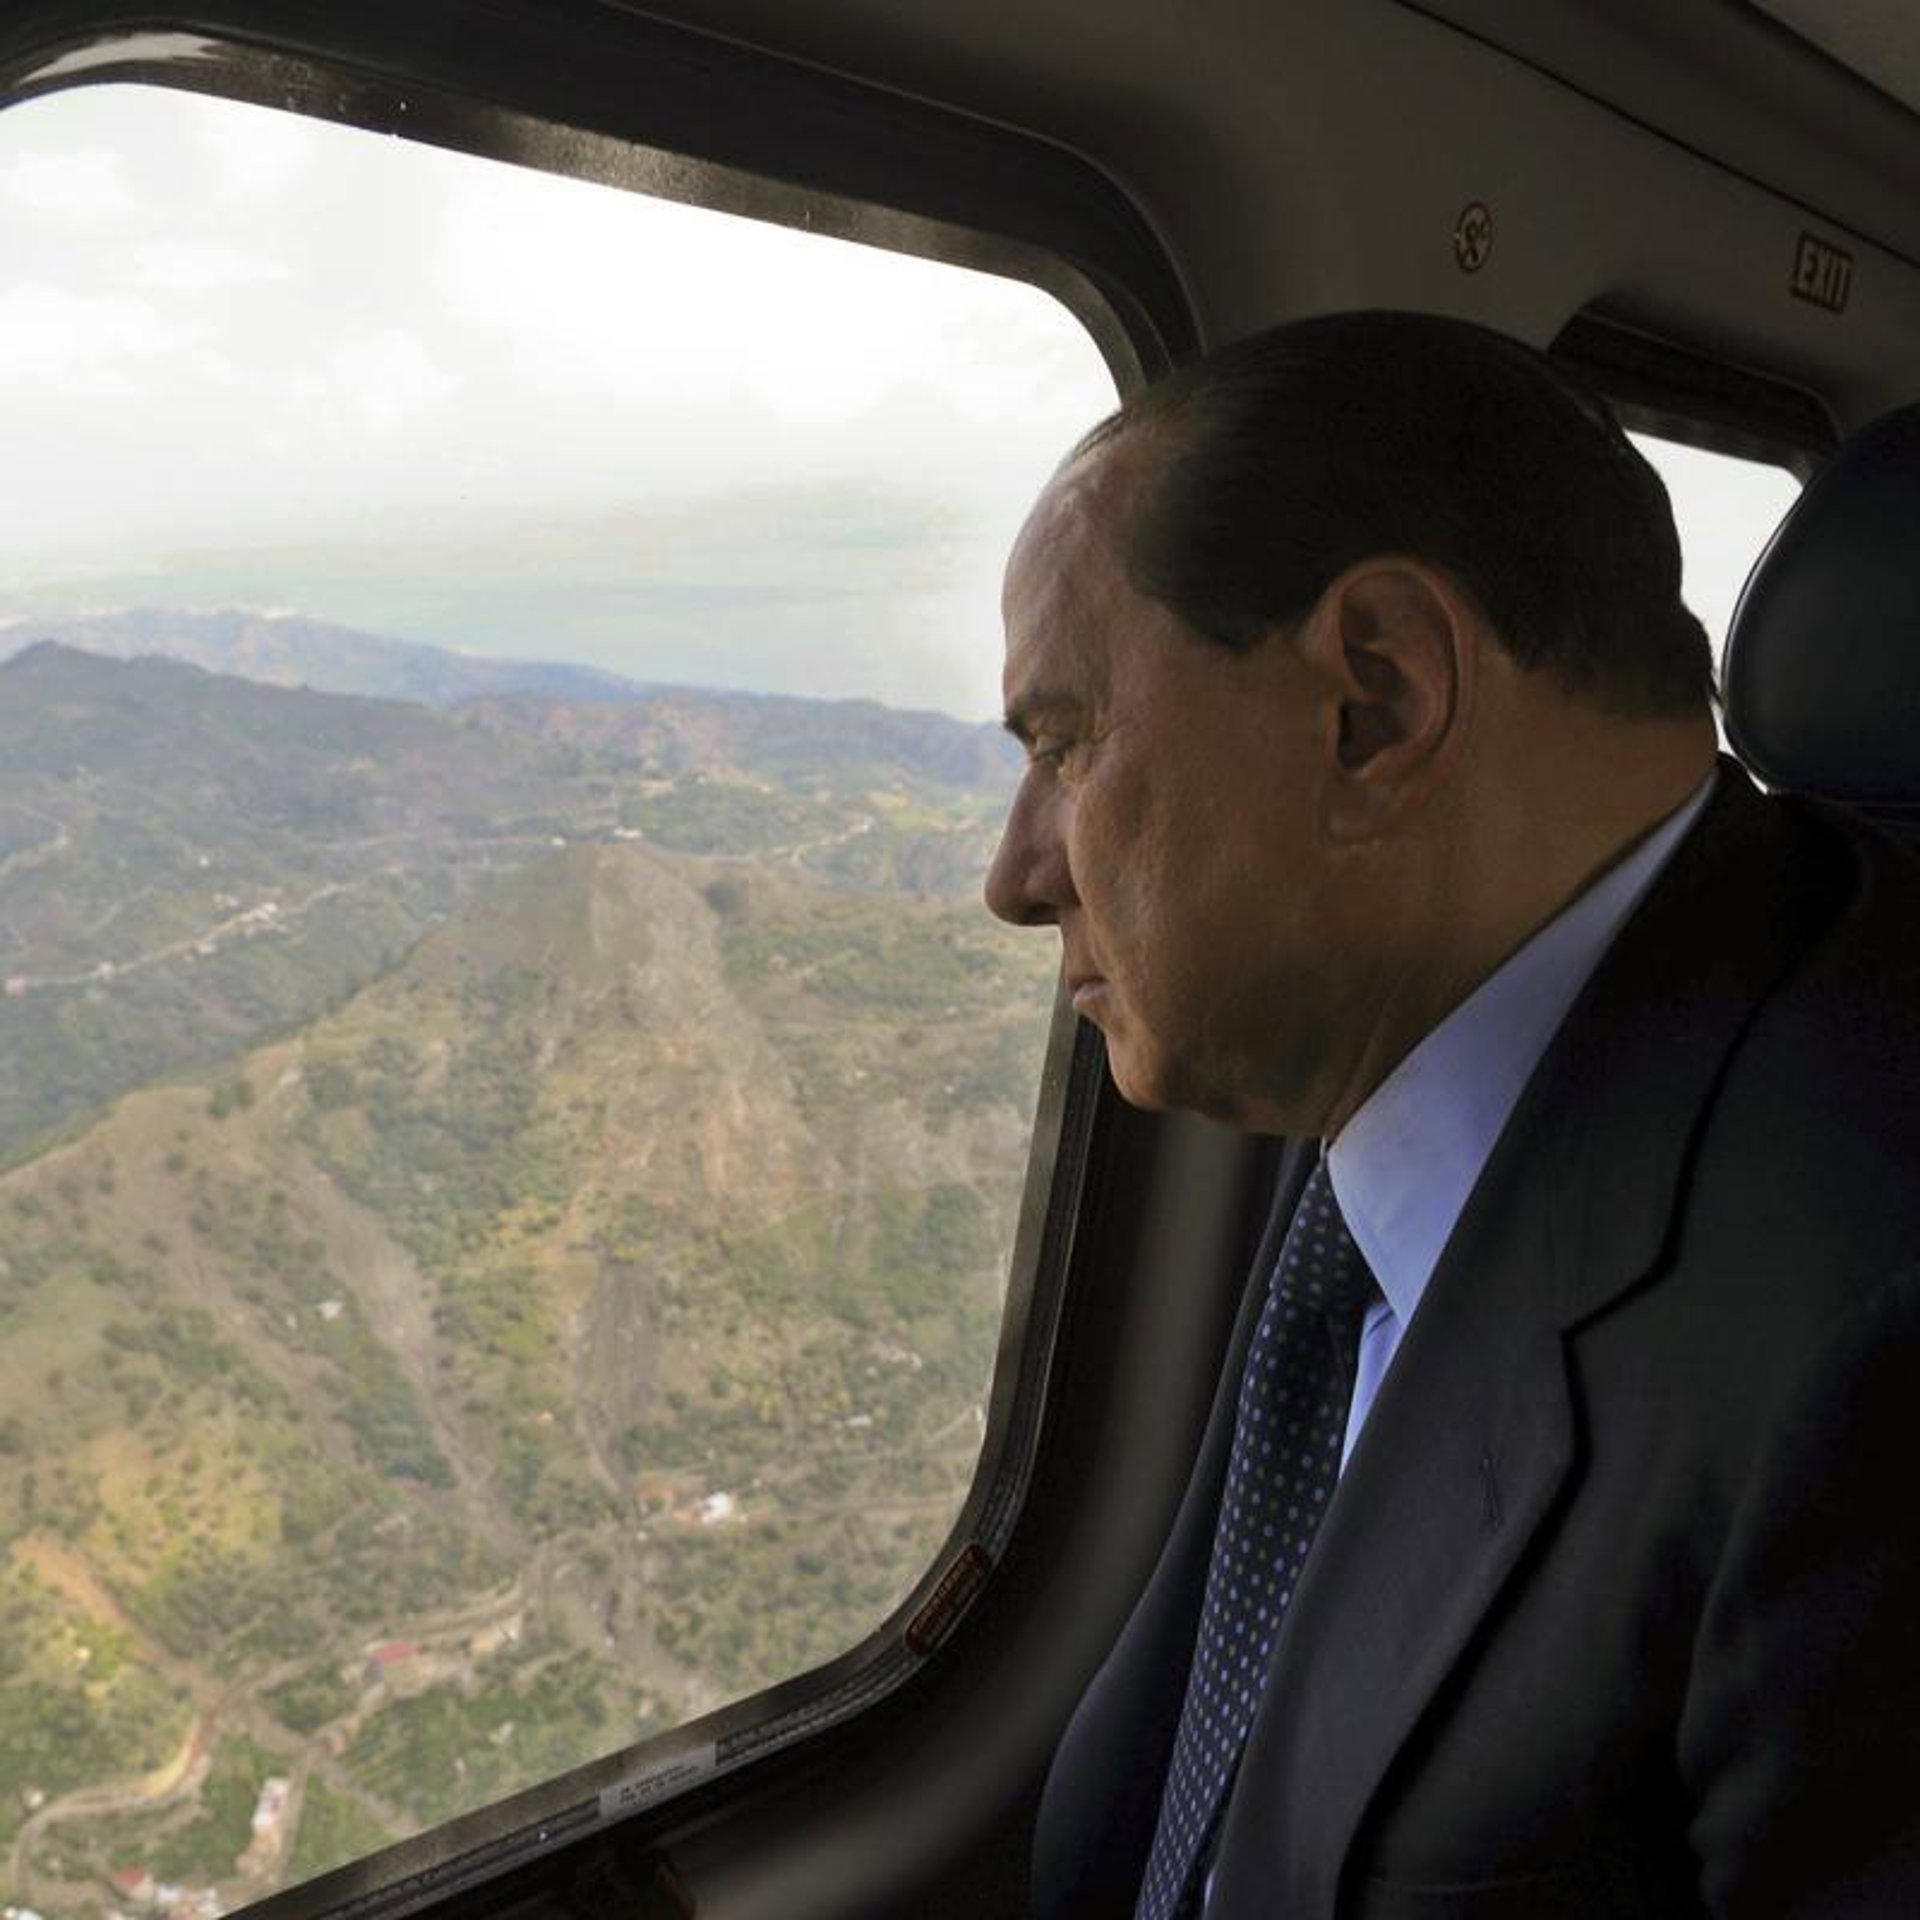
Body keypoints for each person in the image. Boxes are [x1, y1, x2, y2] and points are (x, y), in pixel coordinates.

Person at [985, 312, 1920, 1918]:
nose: (1013, 878)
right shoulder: (1394, 1053)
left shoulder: (1865, 1337)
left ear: (1378, 700)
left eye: (1066, 747)